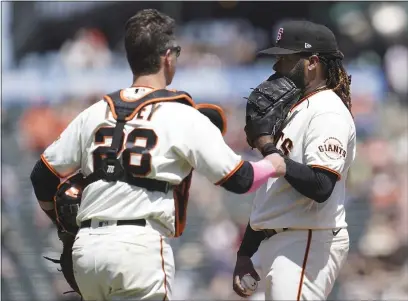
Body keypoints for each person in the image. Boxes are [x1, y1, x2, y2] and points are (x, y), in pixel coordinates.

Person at [30, 9, 286, 301]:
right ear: (168, 56)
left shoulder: (94, 113)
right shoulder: (182, 115)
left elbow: (42, 176)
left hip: (88, 250)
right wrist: (273, 164)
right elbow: (240, 180)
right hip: (139, 247)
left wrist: (63, 228)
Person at [232, 20, 356, 300]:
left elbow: (321, 186)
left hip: (306, 241)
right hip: (281, 238)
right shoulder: (297, 109)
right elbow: (273, 194)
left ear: (312, 62)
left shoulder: (328, 112)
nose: (276, 67)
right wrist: (245, 253)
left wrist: (268, 149)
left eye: (285, 59)